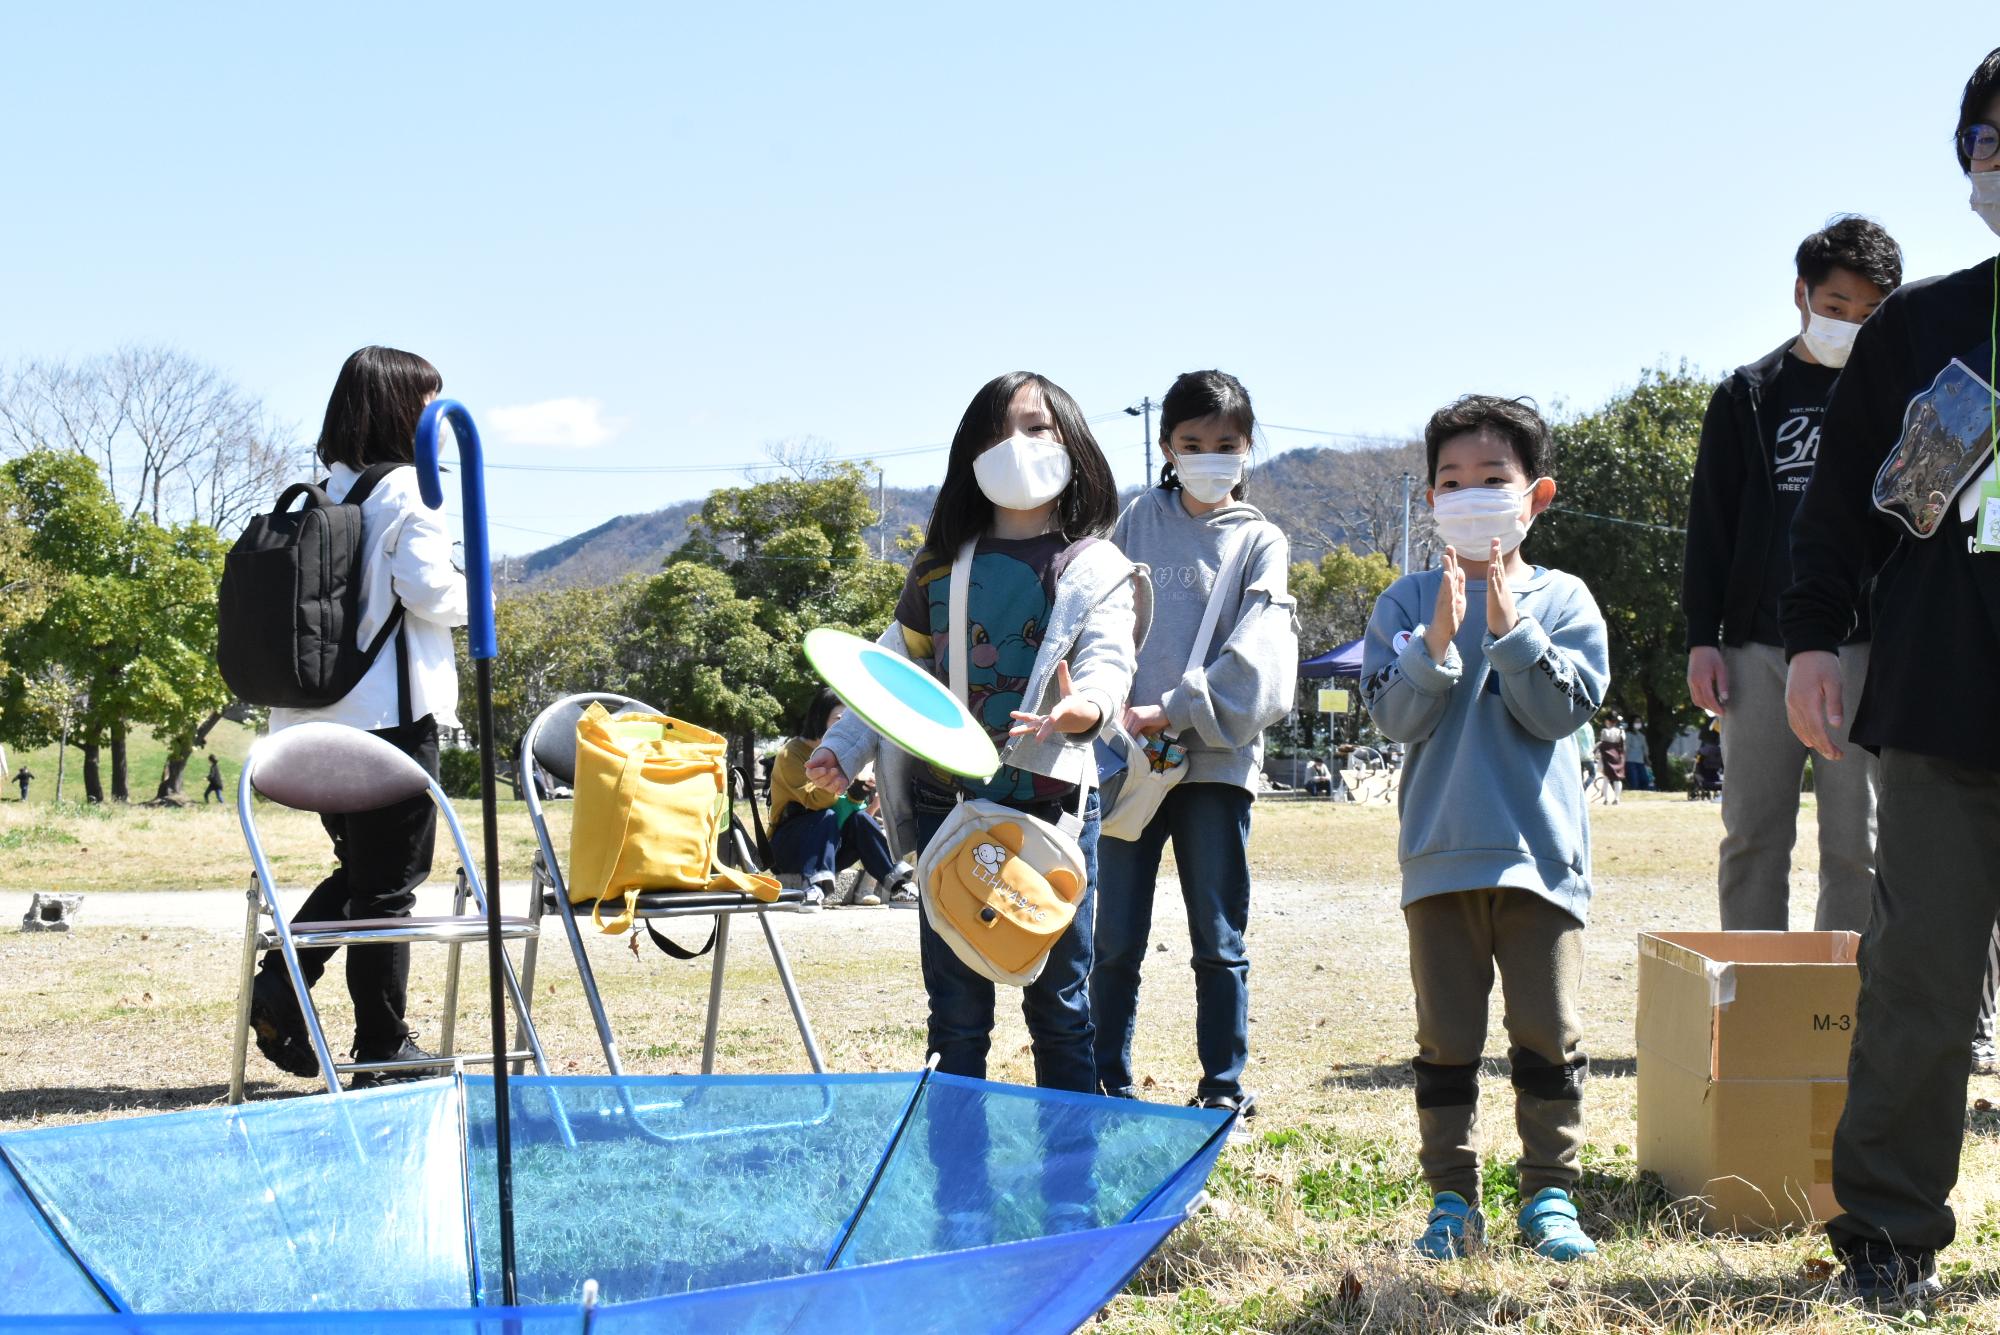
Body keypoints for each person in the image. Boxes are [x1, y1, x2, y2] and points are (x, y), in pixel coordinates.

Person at [1782, 47, 2000, 1304]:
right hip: (1938, 713)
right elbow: (1836, 519)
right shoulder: (1917, 329)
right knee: (1915, 985)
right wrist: (1813, 637)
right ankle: (1884, 1239)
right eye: (1989, 140)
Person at [806, 370, 1145, 1092]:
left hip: (1052, 811)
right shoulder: (935, 571)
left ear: (1074, 446)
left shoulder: (1096, 568)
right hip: (949, 814)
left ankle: (1069, 1190)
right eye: (995, 433)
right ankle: (955, 1193)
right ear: (968, 456)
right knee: (955, 1015)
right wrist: (842, 749)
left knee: (1061, 1006)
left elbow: (1111, 660)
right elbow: (889, 676)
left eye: (1035, 429)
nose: (1014, 447)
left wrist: (1087, 706)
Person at [1361, 394, 1609, 1263]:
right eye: (1451, 481)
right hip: (1437, 859)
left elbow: (1556, 712)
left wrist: (1511, 630)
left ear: (1534, 496)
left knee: (1548, 1034)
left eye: (1491, 479)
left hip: (1540, 863)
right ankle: (1451, 1199)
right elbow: (1394, 718)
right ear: (1430, 500)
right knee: (1446, 1042)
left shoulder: (1569, 600)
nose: (1470, 494)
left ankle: (1550, 1192)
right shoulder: (1403, 600)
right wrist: (1433, 642)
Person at [246, 346, 468, 1090]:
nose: (442, 416)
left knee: (368, 874)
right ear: (408, 410)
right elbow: (432, 591)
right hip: (394, 723)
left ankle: (287, 979)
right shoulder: (411, 488)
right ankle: (380, 1042)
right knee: (391, 886)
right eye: (433, 401)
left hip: (316, 723)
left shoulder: (327, 488)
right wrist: (477, 595)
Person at [1089, 369, 1299, 1120]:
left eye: (1227, 444)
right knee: (1112, 936)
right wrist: (1111, 708)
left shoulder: (1260, 540)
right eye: (1192, 443)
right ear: (1165, 446)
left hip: (1214, 763)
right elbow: (1097, 619)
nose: (1210, 456)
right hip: (1127, 761)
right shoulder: (1134, 520)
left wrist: (1171, 707)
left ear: (1248, 449)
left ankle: (1223, 1086)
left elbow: (1264, 655)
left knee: (1217, 934)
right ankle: (1101, 1079)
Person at [1684, 216, 1903, 931]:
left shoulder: (1905, 399)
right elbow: (1710, 528)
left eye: (1871, 314)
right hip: (1755, 646)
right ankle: (1752, 998)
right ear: (1802, 295)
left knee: (1855, 843)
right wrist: (1701, 636)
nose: (1850, 325)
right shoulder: (1749, 394)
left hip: (1862, 645)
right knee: (1752, 833)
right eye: (1836, 308)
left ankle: (1841, 1011)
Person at [767, 687, 913, 908]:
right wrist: (842, 782)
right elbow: (816, 802)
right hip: (790, 847)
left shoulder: (850, 756)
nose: (847, 725)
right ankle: (813, 887)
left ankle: (897, 885)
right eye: (840, 718)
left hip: (829, 847)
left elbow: (847, 812)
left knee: (862, 820)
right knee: (824, 816)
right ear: (820, 716)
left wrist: (857, 794)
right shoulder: (791, 753)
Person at [1595, 714, 1626, 806]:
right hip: (1617, 756)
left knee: (1606, 778)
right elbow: (1623, 743)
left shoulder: (1604, 731)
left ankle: (1606, 799)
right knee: (1617, 778)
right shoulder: (1620, 732)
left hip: (1607, 756)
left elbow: (1602, 743)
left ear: (1608, 721)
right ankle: (1617, 798)